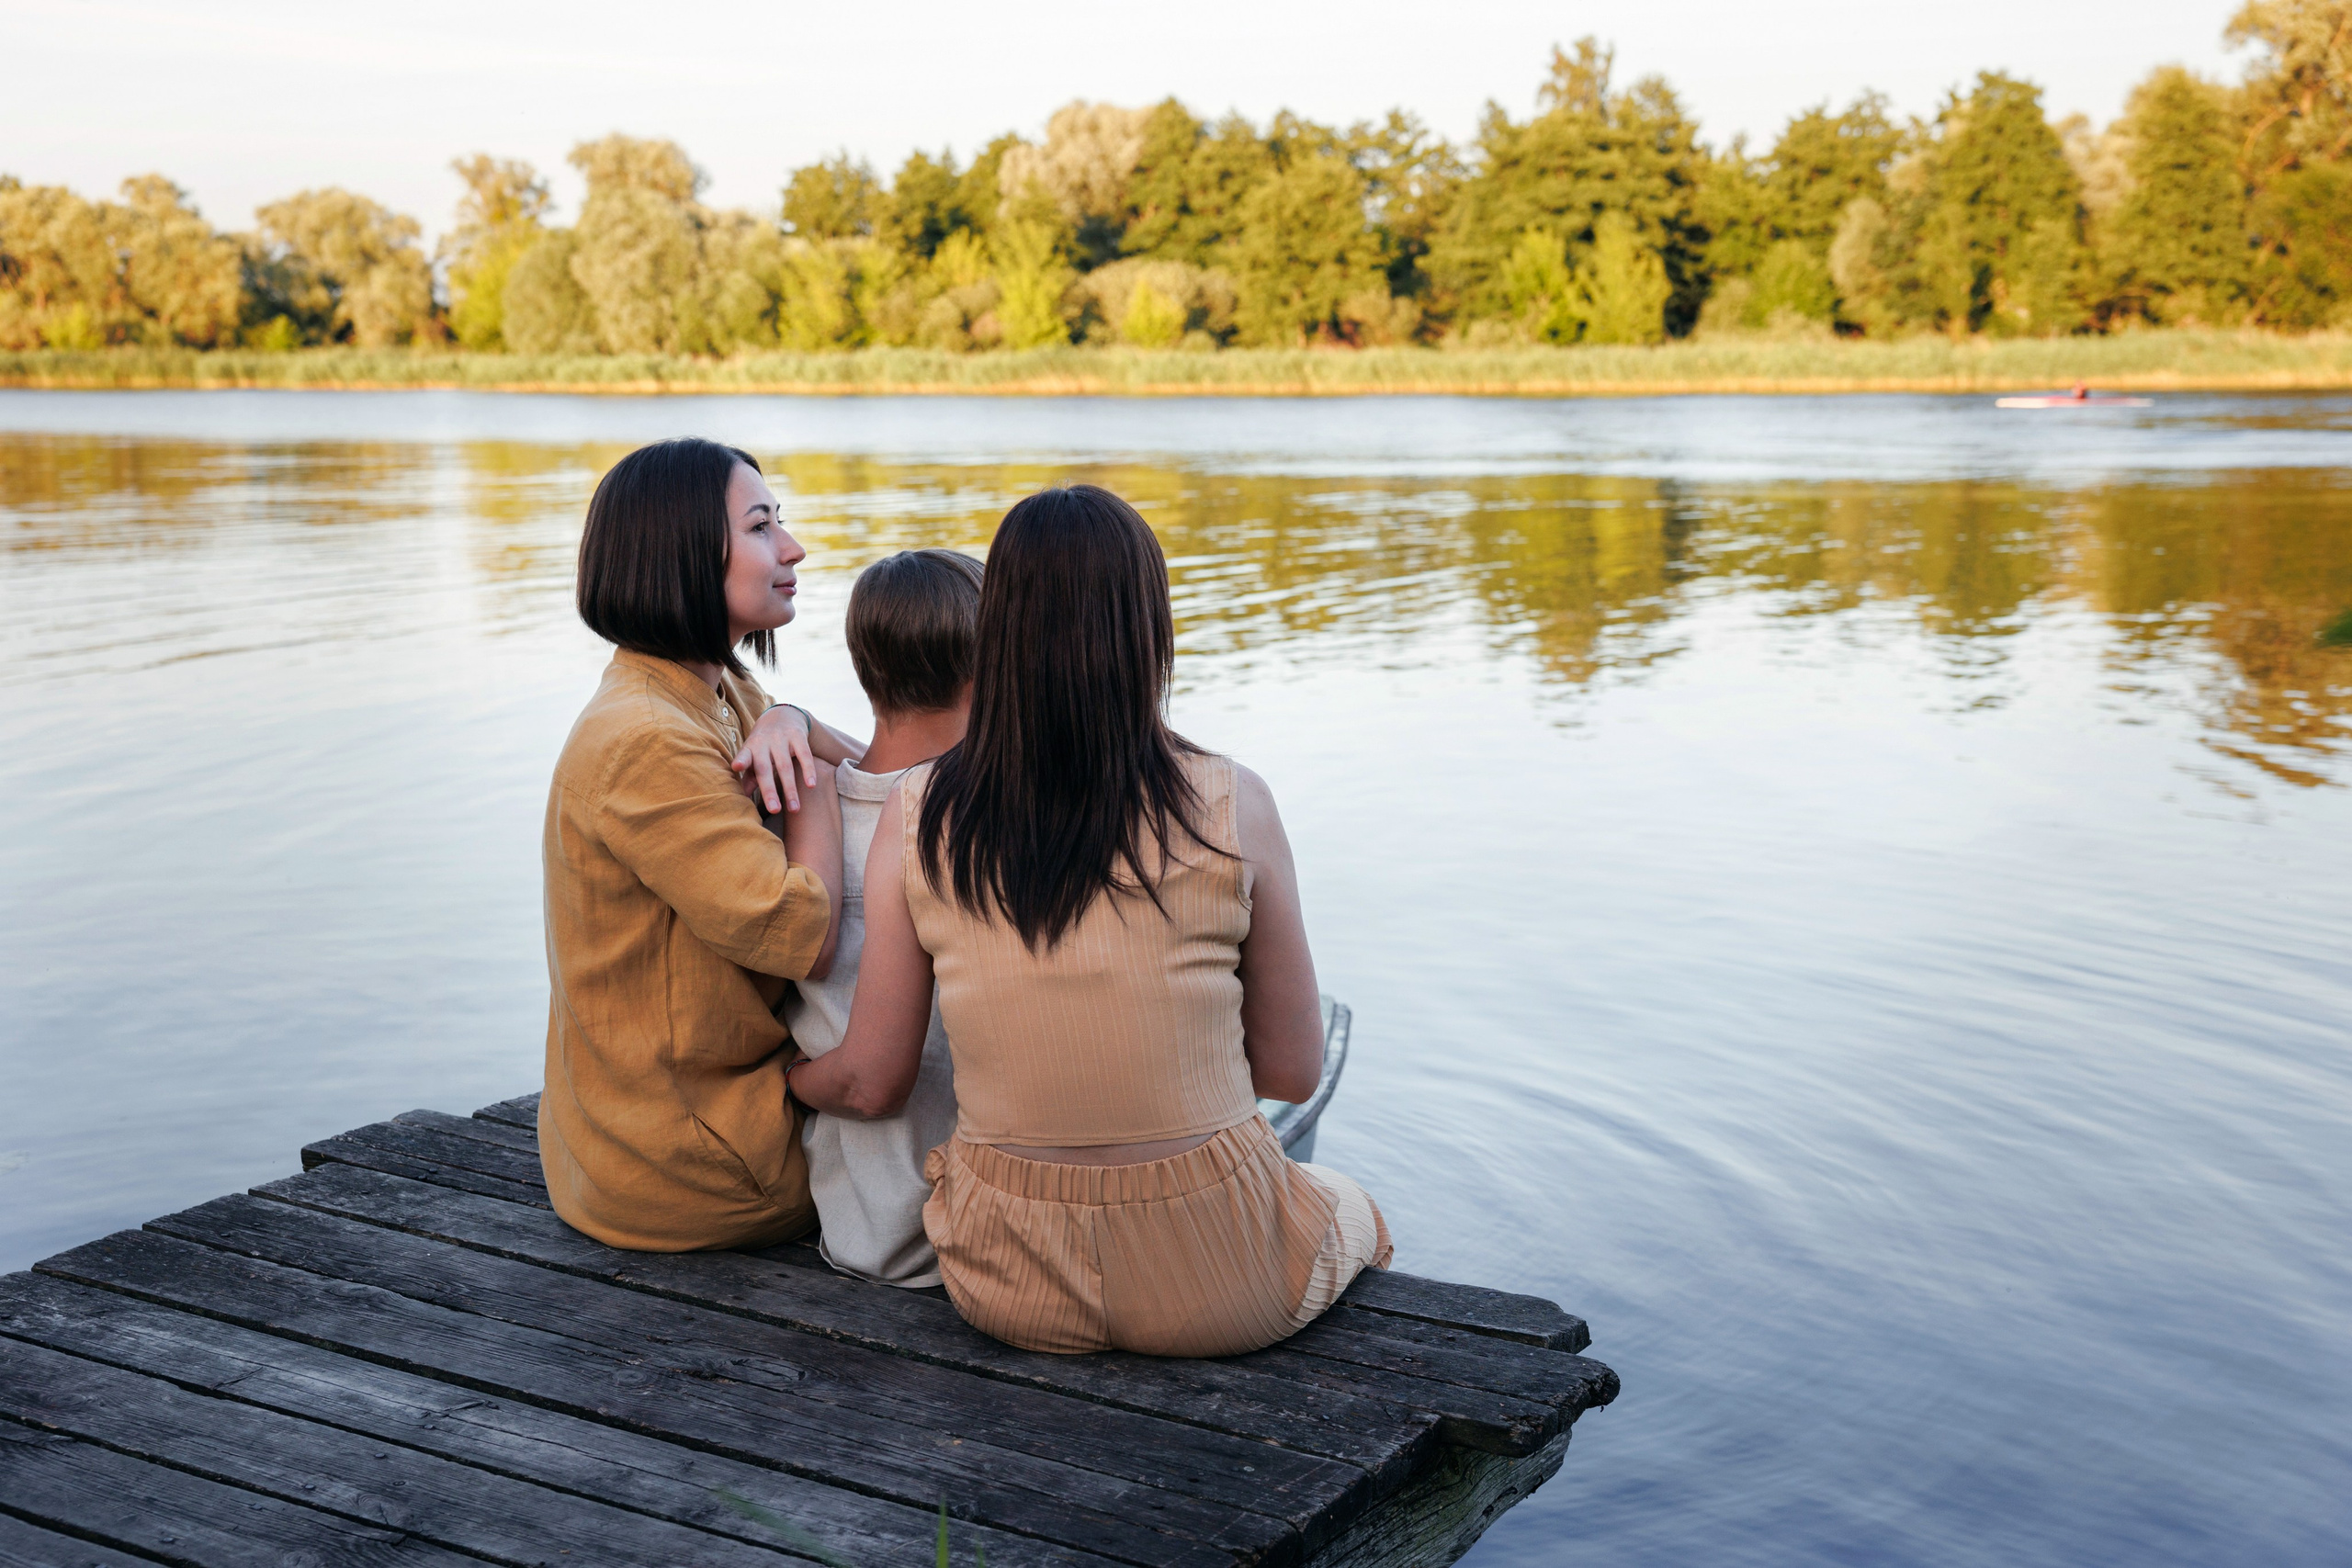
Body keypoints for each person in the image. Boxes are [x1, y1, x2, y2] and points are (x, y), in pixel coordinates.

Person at [788, 484, 1391, 1356]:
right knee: (1355, 1208)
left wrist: (783, 1078)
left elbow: (875, 1067)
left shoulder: (917, 813)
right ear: (1149, 627)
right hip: (1220, 1285)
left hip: (1004, 1277)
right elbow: (1293, 1070)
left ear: (999, 635)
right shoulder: (1232, 801)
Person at [539, 437, 863, 1252]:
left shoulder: (722, 690)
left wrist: (802, 722)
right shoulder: (644, 740)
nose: (792, 547)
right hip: (694, 1161)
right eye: (761, 527)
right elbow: (806, 935)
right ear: (682, 554)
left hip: (682, 1122)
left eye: (778, 522)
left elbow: (891, 787)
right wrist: (812, 779)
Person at [783, 549, 979, 1287]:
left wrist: (792, 715)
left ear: (867, 670)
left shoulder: (811, 806)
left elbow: (876, 772)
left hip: (860, 1231)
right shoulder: (988, 825)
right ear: (986, 671)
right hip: (972, 1236)